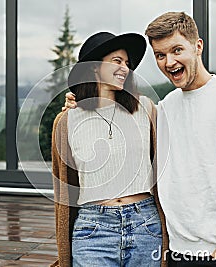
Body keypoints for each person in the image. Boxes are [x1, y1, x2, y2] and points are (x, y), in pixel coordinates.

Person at [65, 12, 216, 267]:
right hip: (176, 250)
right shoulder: (164, 109)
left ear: (198, 47)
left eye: (177, 50)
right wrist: (79, 102)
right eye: (161, 55)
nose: (169, 61)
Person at [51, 31, 168, 267]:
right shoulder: (67, 120)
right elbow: (64, 188)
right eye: (117, 61)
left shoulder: (146, 109)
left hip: (145, 224)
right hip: (93, 228)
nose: (124, 68)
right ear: (94, 67)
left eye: (127, 63)